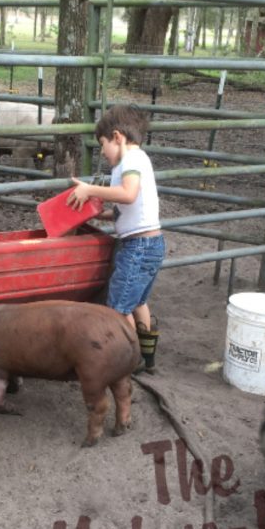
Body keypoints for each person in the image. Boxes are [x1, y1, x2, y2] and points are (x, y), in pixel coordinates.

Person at [67, 104, 164, 373]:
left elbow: (128, 194)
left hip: (138, 247)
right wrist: (99, 214)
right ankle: (147, 359)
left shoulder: (130, 161)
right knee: (139, 303)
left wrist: (90, 189)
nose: (102, 151)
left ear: (118, 137)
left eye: (102, 144)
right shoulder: (139, 159)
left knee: (119, 309)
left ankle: (127, 360)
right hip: (152, 244)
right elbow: (126, 206)